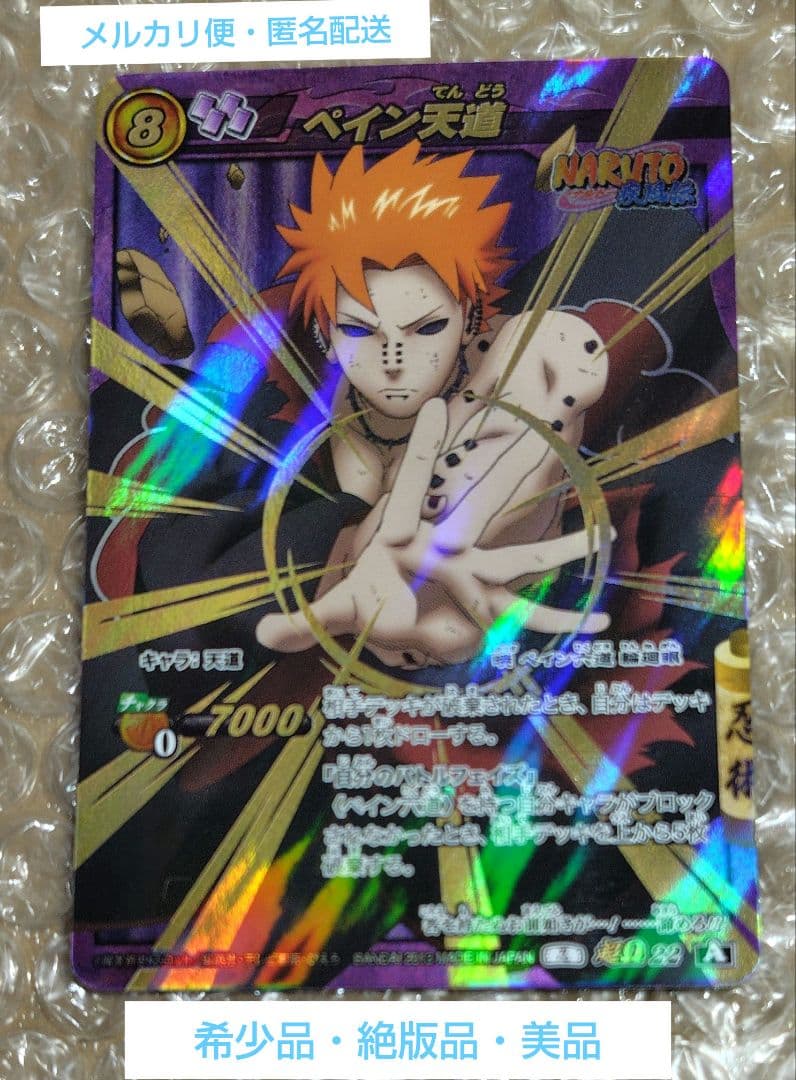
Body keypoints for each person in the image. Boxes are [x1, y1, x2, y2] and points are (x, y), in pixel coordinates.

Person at [255, 141, 617, 665]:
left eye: (426, 329)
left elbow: (552, 376)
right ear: (324, 333)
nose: (393, 361)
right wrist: (365, 570)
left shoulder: (521, 359)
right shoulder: (337, 420)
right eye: (359, 330)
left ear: (469, 319)